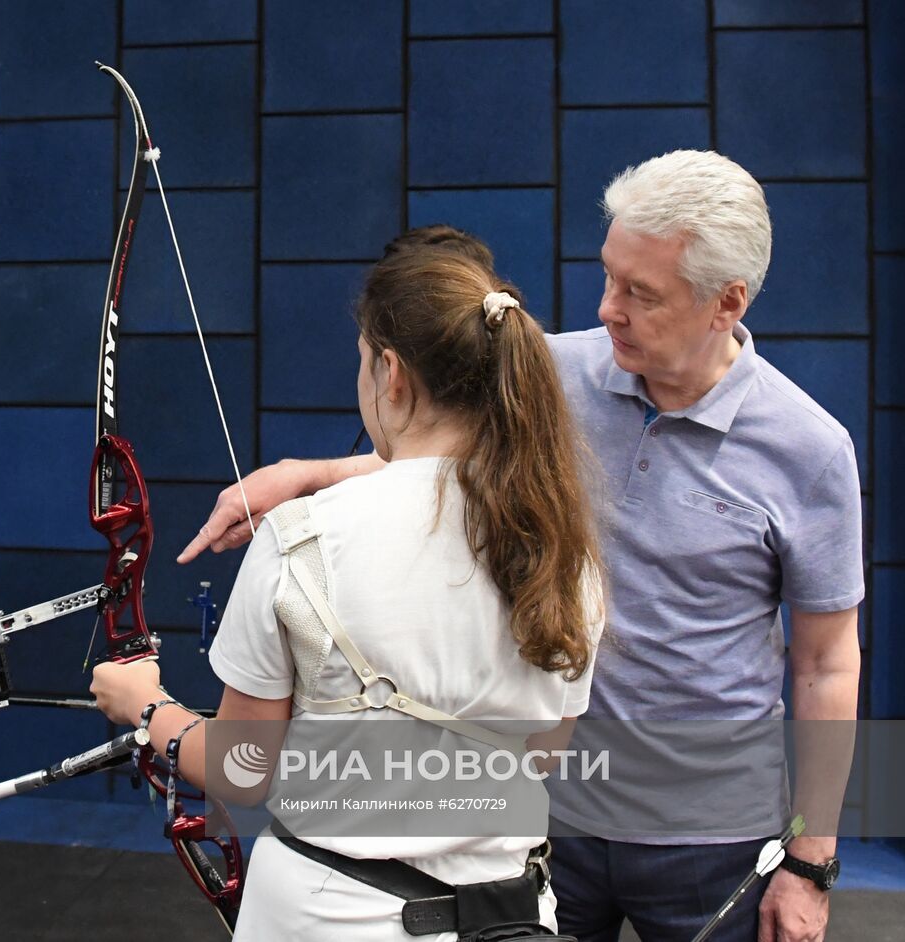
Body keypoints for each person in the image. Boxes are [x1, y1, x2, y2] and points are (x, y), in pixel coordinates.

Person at [176, 151, 863, 942]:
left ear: (726, 302)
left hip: (710, 835)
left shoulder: (811, 450)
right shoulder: (546, 372)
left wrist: (811, 860)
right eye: (608, 276)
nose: (608, 309)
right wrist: (305, 476)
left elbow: (825, 663)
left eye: (641, 293)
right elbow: (442, 459)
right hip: (543, 820)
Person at [92, 244, 604, 940]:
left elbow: (242, 772)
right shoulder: (566, 549)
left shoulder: (302, 537)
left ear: (390, 373)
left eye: (364, 359)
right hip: (511, 916)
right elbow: (541, 752)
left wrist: (146, 706)